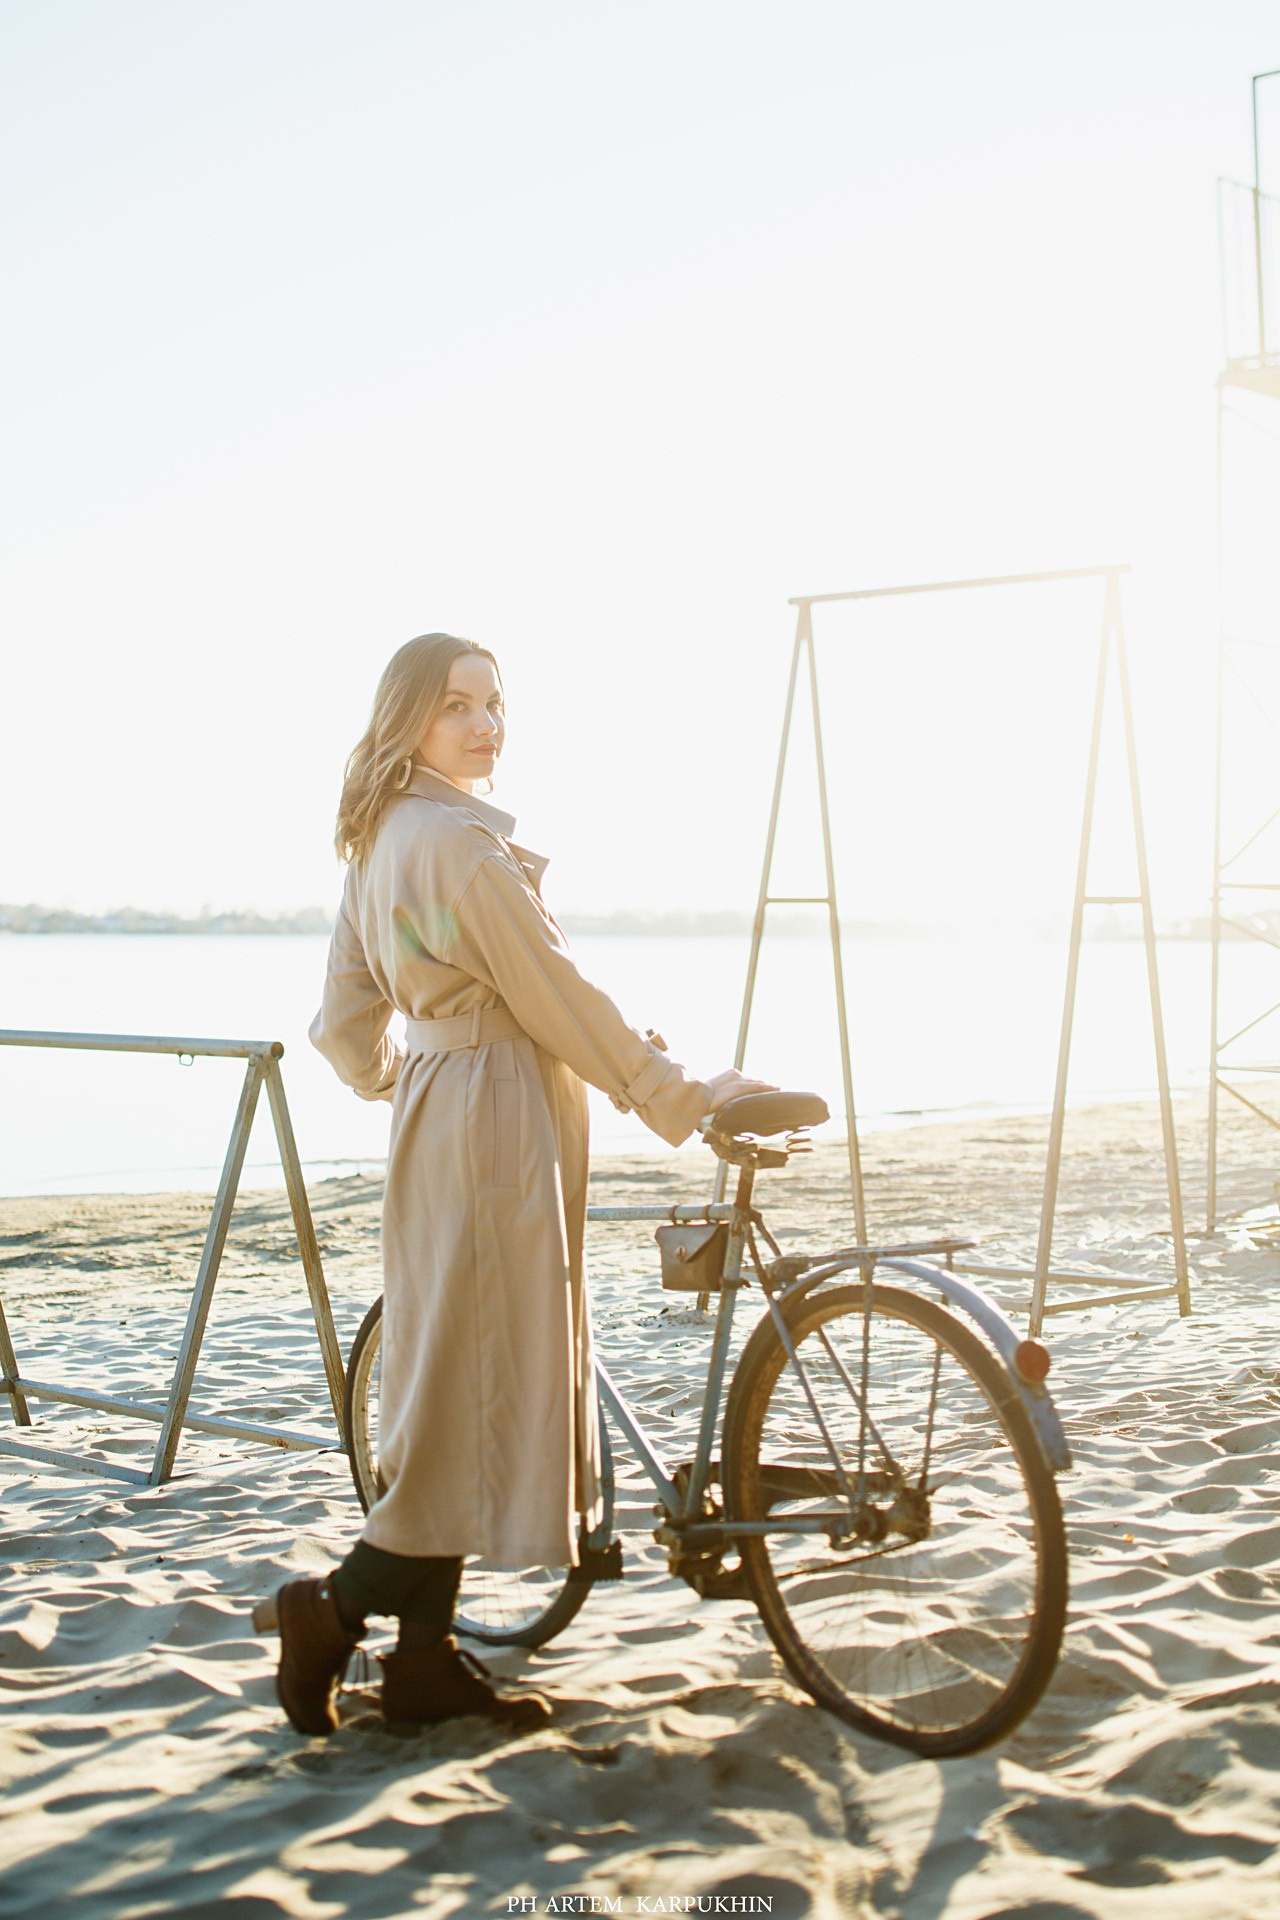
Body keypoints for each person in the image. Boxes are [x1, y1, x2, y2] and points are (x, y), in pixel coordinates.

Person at [261, 631, 771, 1736]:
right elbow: (555, 996)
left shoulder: (378, 843)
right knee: (474, 1375)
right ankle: (332, 1612)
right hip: (493, 1112)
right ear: (409, 719)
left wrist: (406, 1070)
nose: (487, 724)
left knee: (448, 1381)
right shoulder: (462, 850)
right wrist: (676, 1092)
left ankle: (426, 1663)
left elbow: (344, 1024)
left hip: (437, 1112)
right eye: (459, 706)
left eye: (495, 703)